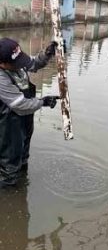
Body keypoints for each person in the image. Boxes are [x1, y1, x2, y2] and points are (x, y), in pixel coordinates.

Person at [0, 38, 60, 188]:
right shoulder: (1, 78)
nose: (21, 65)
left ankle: (21, 184)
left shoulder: (16, 64)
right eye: (17, 63)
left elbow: (33, 64)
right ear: (2, 64)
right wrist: (43, 102)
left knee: (23, 156)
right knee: (10, 165)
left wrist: (47, 53)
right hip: (8, 124)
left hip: (25, 119)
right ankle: (10, 202)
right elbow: (19, 104)